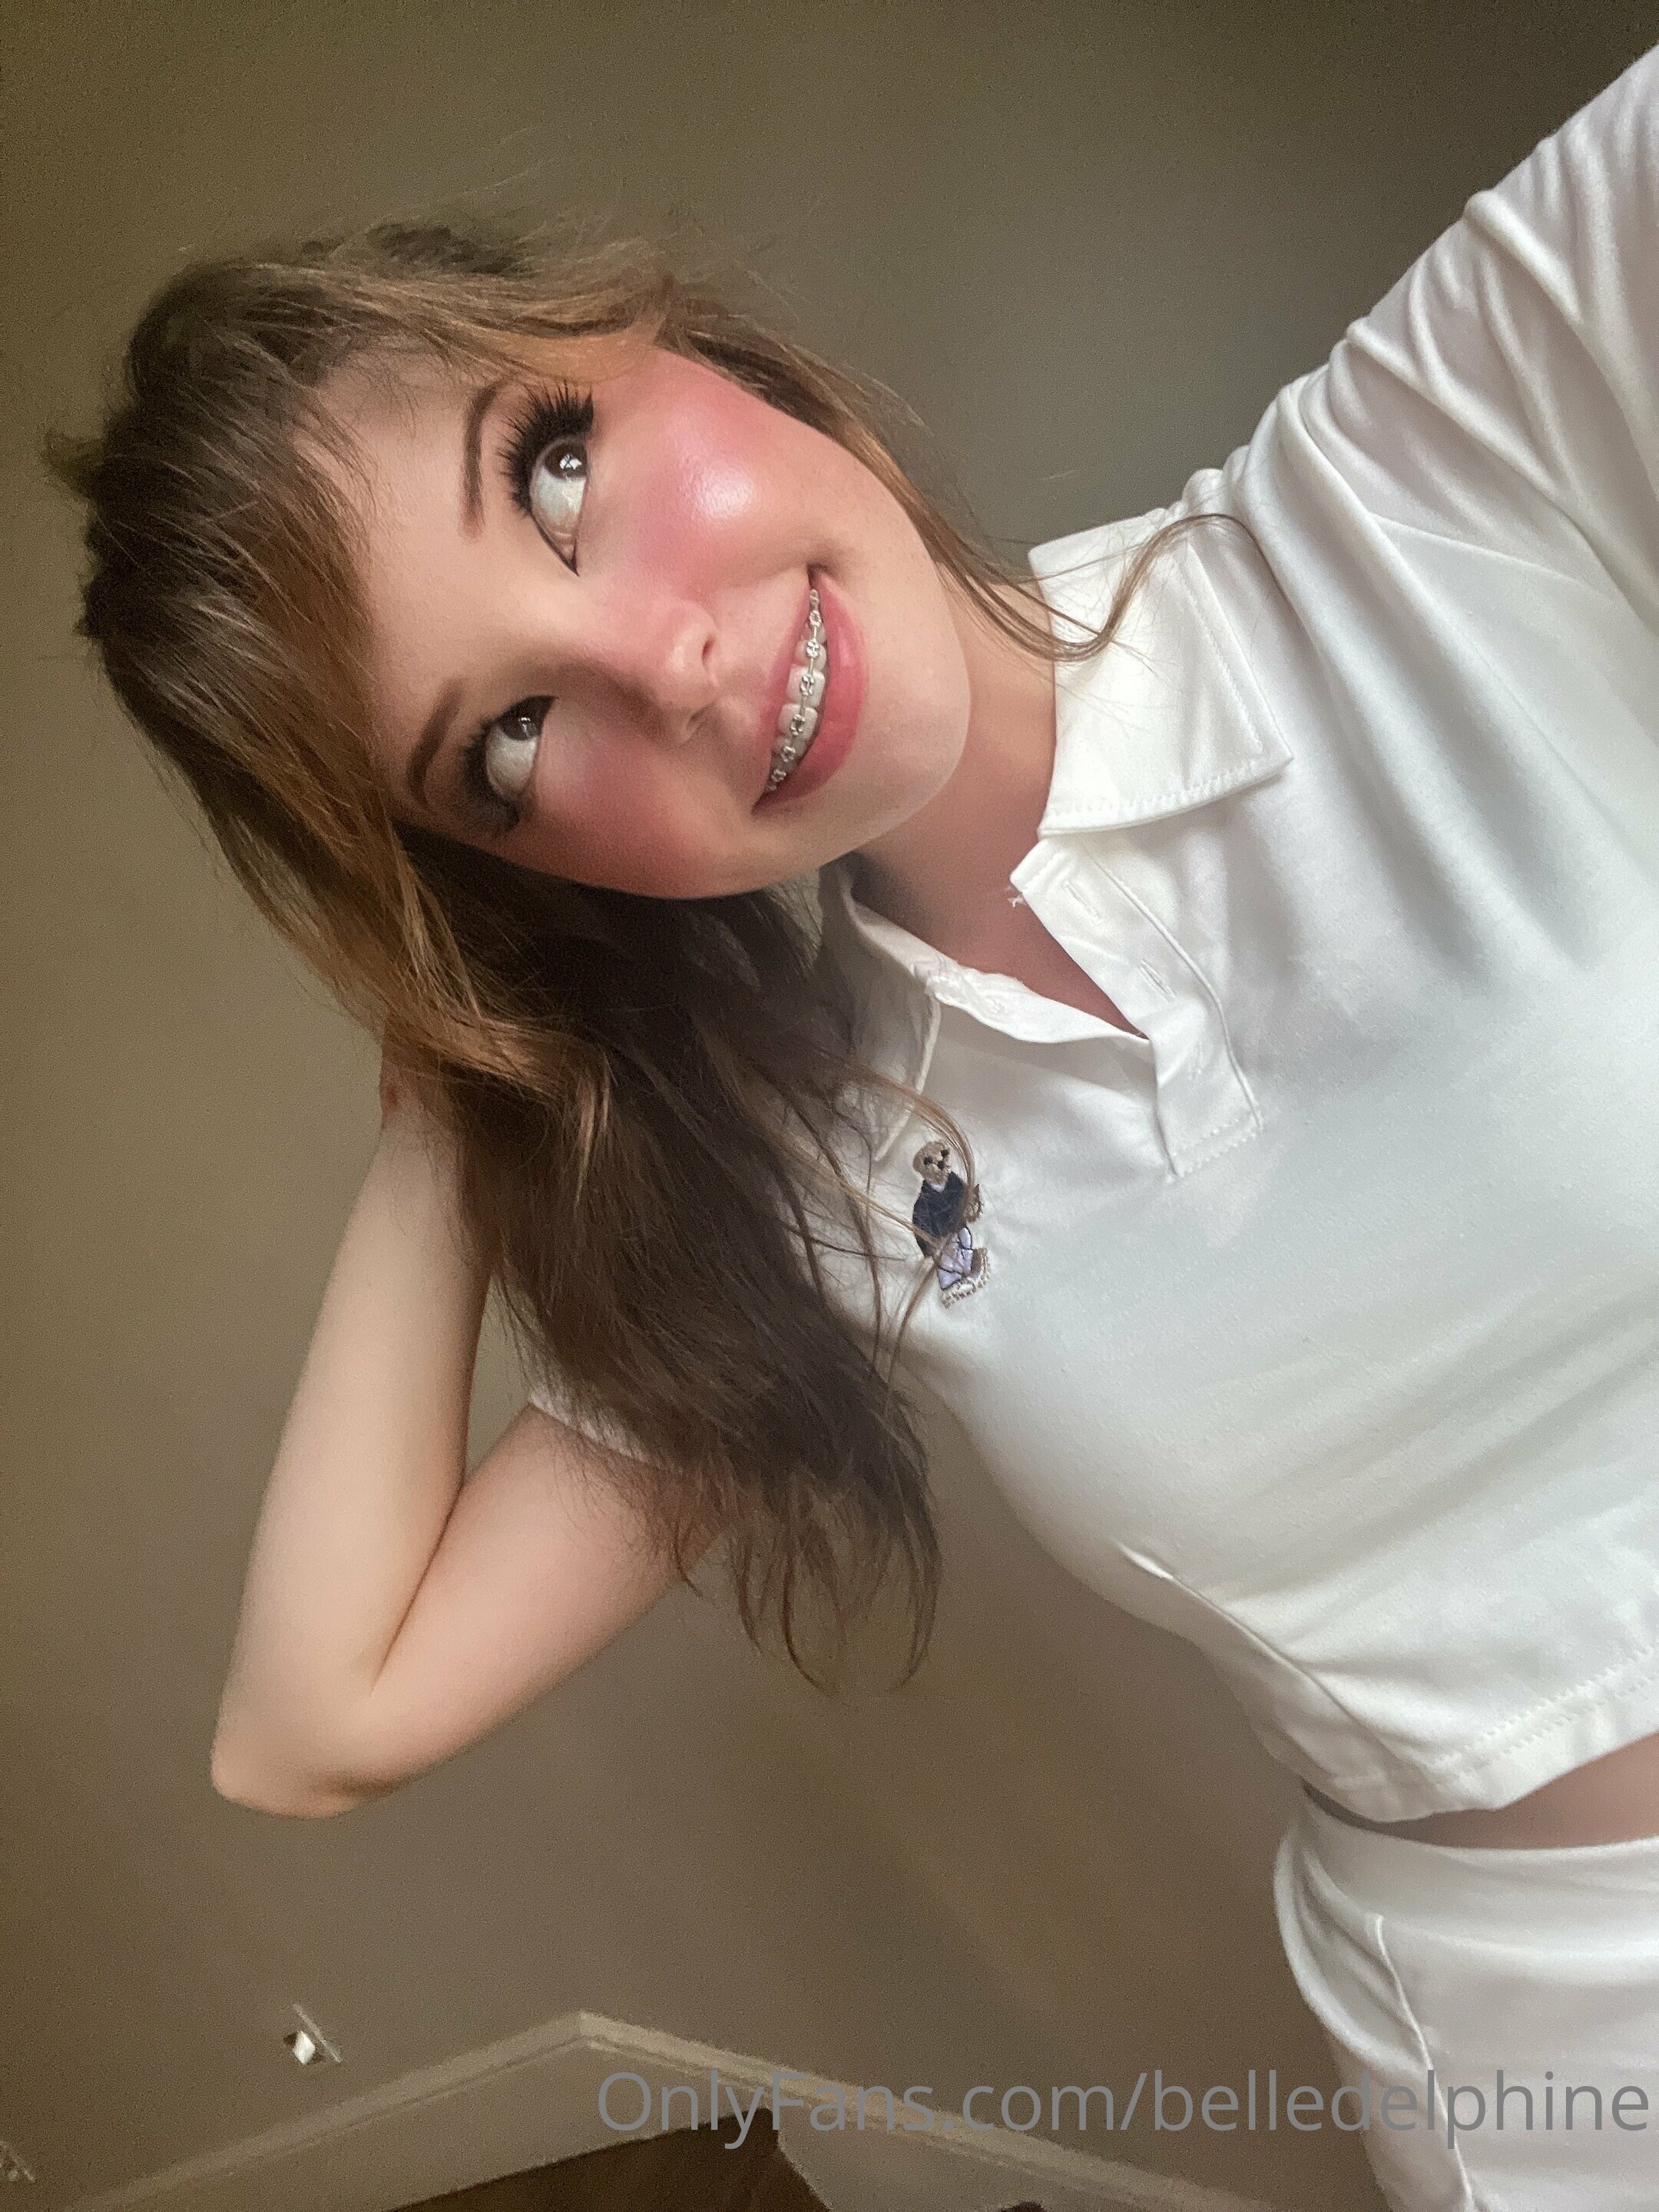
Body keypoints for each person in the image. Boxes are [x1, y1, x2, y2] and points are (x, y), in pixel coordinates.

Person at [47, 41, 1659, 2210]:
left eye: (554, 472)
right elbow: (315, 1721)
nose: (668, 666)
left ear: (664, 338)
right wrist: (455, 1051)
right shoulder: (824, 1176)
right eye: (507, 742)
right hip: (1548, 2070)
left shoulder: (1450, 472)